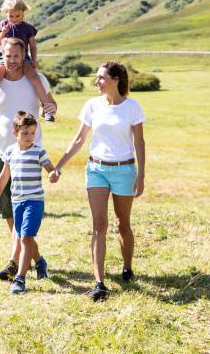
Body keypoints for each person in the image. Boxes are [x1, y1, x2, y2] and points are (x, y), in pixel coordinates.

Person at [50, 61, 145, 301]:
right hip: (96, 170)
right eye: (97, 77)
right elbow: (79, 139)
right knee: (98, 225)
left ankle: (127, 267)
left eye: (102, 77)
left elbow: (139, 144)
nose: (97, 81)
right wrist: (58, 166)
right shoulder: (92, 105)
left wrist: (141, 175)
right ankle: (99, 282)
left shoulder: (132, 107)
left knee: (122, 223)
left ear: (115, 80)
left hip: (124, 170)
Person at [0, 37, 57, 281]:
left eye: (16, 56)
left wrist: (51, 109)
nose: (12, 61)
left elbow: (50, 103)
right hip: (1, 152)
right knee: (10, 213)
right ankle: (37, 260)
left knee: (23, 211)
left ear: (23, 55)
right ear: (1, 55)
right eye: (7, 56)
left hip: (28, 154)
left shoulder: (36, 78)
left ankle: (14, 262)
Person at [0, 111, 57, 294]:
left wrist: (53, 174)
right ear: (15, 133)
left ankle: (20, 278)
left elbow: (50, 169)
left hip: (34, 201)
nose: (29, 137)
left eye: (33, 133)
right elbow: (4, 176)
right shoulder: (10, 151)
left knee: (26, 237)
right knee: (24, 238)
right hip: (16, 201)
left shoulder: (38, 151)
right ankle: (40, 262)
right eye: (25, 133)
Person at [0, 0, 56, 122]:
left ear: (23, 14)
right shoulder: (3, 25)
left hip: (23, 58)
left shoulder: (28, 28)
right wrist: (3, 33)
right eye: (11, 16)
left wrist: (33, 60)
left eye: (18, 16)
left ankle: (47, 109)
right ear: (6, 14)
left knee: (34, 77)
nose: (14, 19)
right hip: (3, 59)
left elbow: (33, 46)